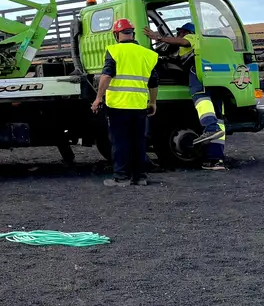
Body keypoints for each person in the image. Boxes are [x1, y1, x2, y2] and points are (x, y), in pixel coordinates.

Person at [145, 21, 227, 170]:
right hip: (215, 79)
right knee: (218, 115)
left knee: (201, 98)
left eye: (181, 32)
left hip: (198, 72)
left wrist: (159, 38)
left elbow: (181, 41)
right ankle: (215, 159)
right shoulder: (206, 46)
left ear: (187, 32)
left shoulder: (194, 37)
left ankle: (210, 127)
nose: (179, 34)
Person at [91, 18, 159, 187]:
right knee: (139, 142)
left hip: (118, 106)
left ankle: (121, 178)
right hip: (139, 105)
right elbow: (153, 82)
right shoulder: (148, 54)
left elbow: (107, 76)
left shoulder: (114, 51)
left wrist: (99, 97)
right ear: (132, 34)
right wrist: (153, 102)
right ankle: (140, 177)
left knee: (120, 142)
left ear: (116, 34)